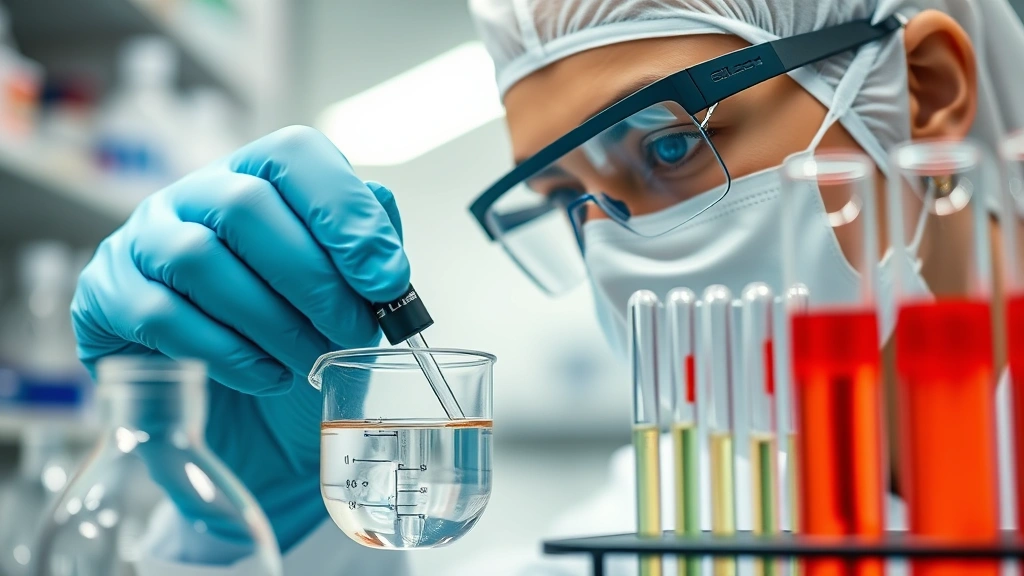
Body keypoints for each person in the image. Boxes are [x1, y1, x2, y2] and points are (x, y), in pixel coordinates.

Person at [69, 0, 1024, 574]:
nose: (617, 253)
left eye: (670, 144)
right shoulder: (669, 517)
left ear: (924, 88)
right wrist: (271, 527)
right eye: (569, 202)